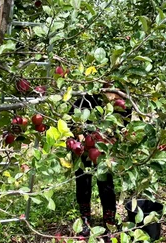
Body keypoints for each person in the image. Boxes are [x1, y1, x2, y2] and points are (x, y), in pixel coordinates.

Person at [68, 91, 131, 239]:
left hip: (104, 150)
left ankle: (109, 222)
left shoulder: (123, 105)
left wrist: (111, 143)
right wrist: (81, 139)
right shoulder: (86, 100)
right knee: (83, 181)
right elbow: (72, 121)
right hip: (83, 149)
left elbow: (123, 128)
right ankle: (85, 221)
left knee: (106, 184)